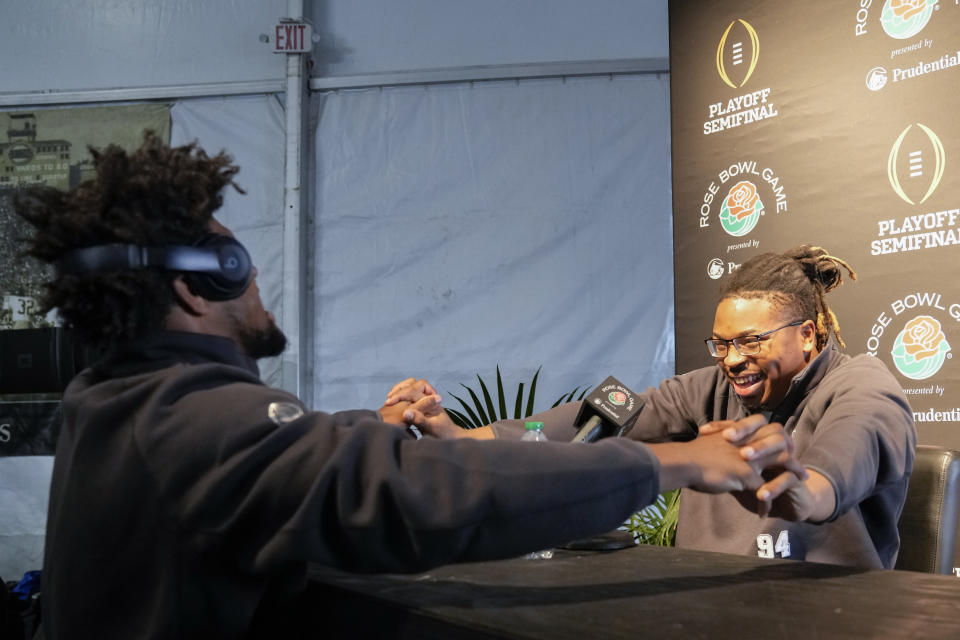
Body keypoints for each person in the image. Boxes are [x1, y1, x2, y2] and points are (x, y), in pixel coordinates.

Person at [14, 133, 806, 639]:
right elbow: (411, 493)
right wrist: (673, 464)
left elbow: (278, 459)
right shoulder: (193, 422)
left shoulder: (113, 398)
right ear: (200, 286)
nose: (258, 287)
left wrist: (376, 423)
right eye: (240, 264)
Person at [395, 246, 917, 569]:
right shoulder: (710, 387)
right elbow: (591, 419)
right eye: (721, 343)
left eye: (751, 340)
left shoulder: (864, 387)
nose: (733, 360)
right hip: (709, 612)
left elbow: (842, 458)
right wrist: (465, 439)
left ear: (807, 335)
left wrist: (803, 494)